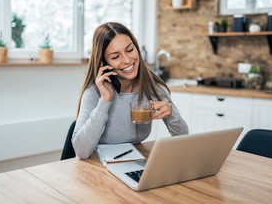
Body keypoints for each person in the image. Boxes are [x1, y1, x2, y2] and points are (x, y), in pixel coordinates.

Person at [72, 22, 189, 159]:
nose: (127, 60)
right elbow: (81, 151)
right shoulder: (95, 93)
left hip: (134, 160)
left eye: (129, 50)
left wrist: (171, 112)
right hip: (98, 165)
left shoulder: (154, 87)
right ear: (104, 63)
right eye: (116, 57)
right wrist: (105, 100)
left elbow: (183, 139)